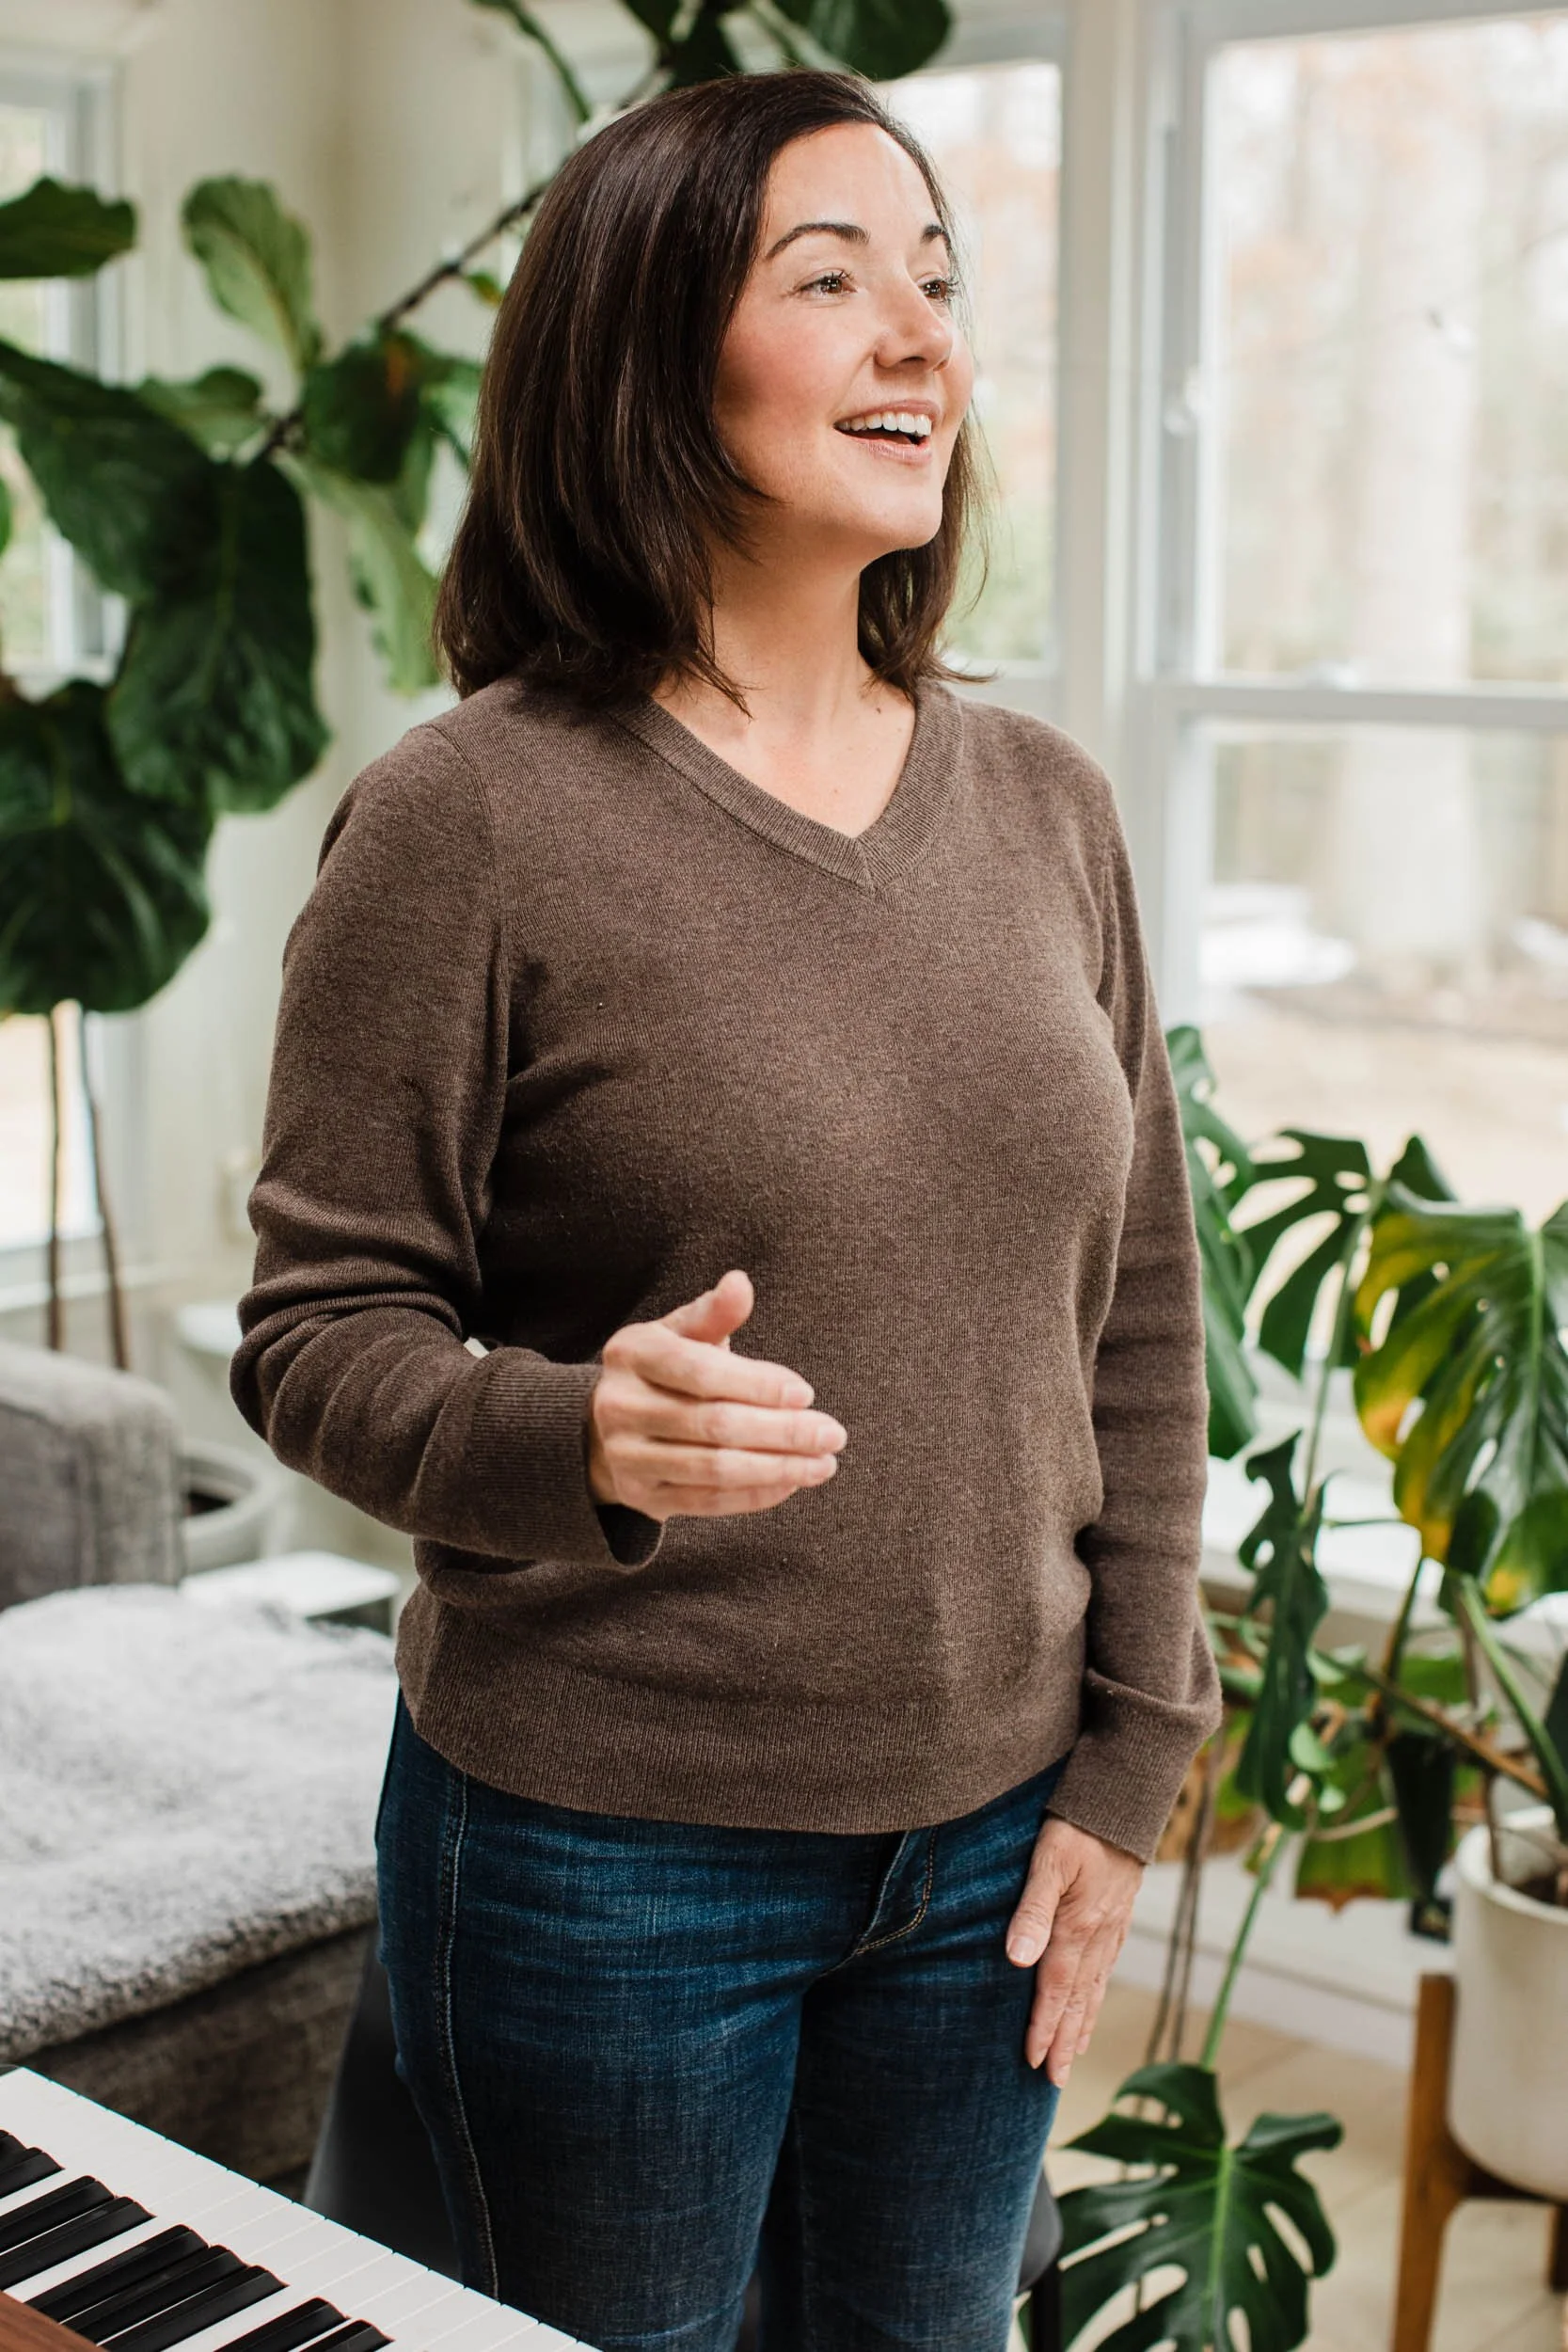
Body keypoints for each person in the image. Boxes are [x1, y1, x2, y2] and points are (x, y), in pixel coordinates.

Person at [231, 65, 1221, 2352]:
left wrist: (1128, 1751)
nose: (918, 338)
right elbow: (318, 1322)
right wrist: (570, 1430)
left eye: (938, 279)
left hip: (987, 1841)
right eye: (827, 275)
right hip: (596, 1852)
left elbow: (1143, 1312)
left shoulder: (1045, 806)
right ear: (644, 353)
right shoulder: (467, 816)